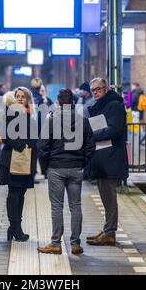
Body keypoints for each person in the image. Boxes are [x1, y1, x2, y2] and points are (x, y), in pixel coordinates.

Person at [37, 89, 95, 255]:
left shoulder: (51, 119)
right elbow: (91, 146)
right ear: (74, 103)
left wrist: (46, 167)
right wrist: (83, 162)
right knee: (76, 206)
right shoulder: (83, 121)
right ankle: (75, 244)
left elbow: (42, 147)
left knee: (57, 207)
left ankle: (55, 243)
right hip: (76, 168)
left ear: (58, 102)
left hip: (56, 168)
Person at [86, 77, 129, 246]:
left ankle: (110, 233)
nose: (95, 92)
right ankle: (107, 229)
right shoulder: (103, 105)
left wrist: (91, 135)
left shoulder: (113, 105)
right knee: (105, 196)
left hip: (110, 157)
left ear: (105, 89)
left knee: (109, 197)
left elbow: (114, 130)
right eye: (93, 90)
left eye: (98, 89)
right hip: (103, 156)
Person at [0, 87, 37, 242]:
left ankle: (14, 228)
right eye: (18, 96)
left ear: (28, 99)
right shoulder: (11, 113)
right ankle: (15, 228)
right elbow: (5, 135)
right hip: (12, 159)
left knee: (21, 194)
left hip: (26, 160)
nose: (20, 99)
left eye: (23, 96)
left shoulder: (30, 114)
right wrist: (21, 145)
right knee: (14, 194)